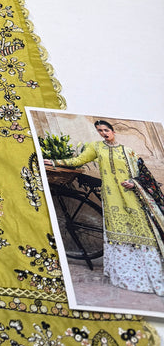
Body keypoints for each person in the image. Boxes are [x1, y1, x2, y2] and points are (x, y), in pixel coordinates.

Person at [50, 120, 164, 297]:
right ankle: (124, 275)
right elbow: (78, 160)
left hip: (132, 196)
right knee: (117, 231)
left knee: (143, 231)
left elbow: (143, 173)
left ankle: (151, 276)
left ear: (113, 131)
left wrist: (134, 182)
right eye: (100, 131)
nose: (103, 133)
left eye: (106, 130)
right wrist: (54, 162)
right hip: (112, 198)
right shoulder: (96, 147)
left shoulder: (128, 151)